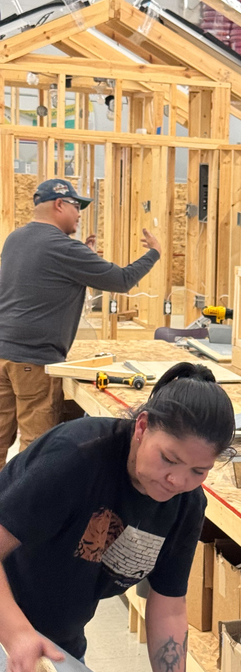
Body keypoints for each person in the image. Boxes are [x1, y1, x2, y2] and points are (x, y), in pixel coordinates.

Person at [0, 362, 235, 672]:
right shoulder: (76, 458)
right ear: (142, 427)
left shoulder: (185, 505)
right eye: (169, 459)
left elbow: (168, 608)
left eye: (199, 471)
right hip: (10, 624)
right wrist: (18, 634)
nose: (177, 480)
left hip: (56, 643)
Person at [0, 178, 161, 467]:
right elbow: (122, 280)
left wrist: (83, 257)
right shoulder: (64, 248)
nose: (79, 214)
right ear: (59, 204)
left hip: (2, 354)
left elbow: (41, 279)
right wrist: (154, 253)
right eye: (76, 206)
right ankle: (27, 496)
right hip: (33, 361)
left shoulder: (15, 239)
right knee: (35, 450)